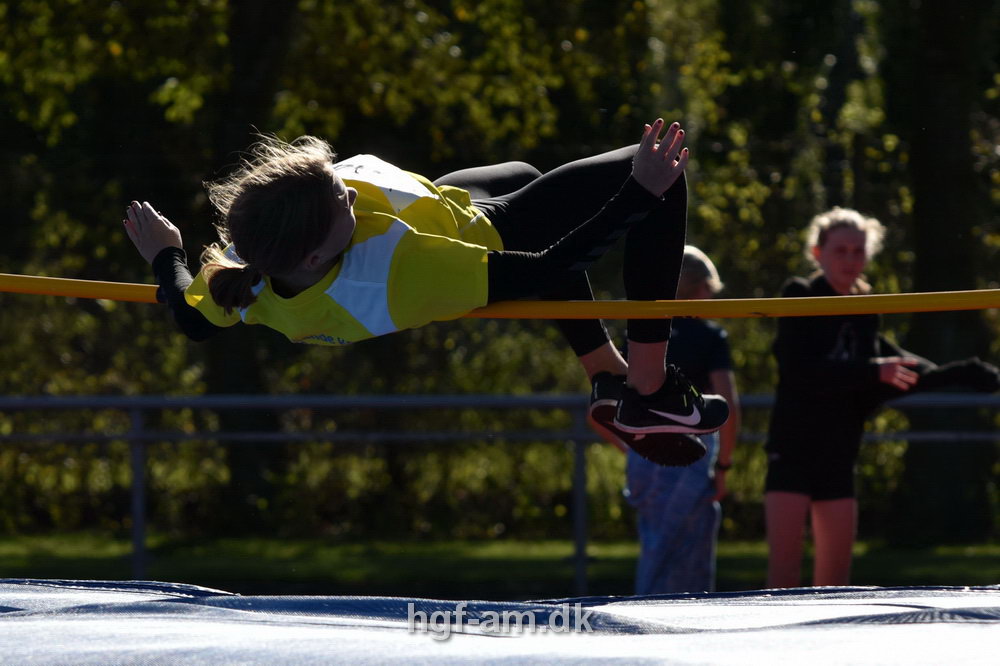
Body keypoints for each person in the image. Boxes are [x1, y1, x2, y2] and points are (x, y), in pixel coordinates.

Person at [123, 119, 729, 459]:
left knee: (524, 174)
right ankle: (648, 389)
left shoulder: (246, 266)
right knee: (660, 178)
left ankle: (606, 375)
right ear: (315, 256)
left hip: (439, 199)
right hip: (481, 233)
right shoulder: (401, 272)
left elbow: (191, 318)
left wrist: (167, 253)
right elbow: (550, 268)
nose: (349, 192)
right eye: (341, 201)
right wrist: (640, 191)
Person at [765, 206, 1000, 588]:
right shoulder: (800, 295)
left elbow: (899, 370)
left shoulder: (865, 308)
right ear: (818, 253)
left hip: (840, 451)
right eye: (840, 250)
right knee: (783, 576)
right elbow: (800, 371)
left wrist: (962, 373)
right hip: (792, 449)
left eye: (858, 251)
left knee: (835, 582)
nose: (850, 259)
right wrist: (872, 371)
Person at [622, 245, 742, 594]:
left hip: (646, 459)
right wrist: (724, 465)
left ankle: (645, 614)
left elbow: (600, 412)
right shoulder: (710, 338)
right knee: (691, 559)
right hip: (693, 455)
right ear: (700, 287)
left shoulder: (639, 337)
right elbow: (727, 406)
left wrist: (636, 449)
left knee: (656, 552)